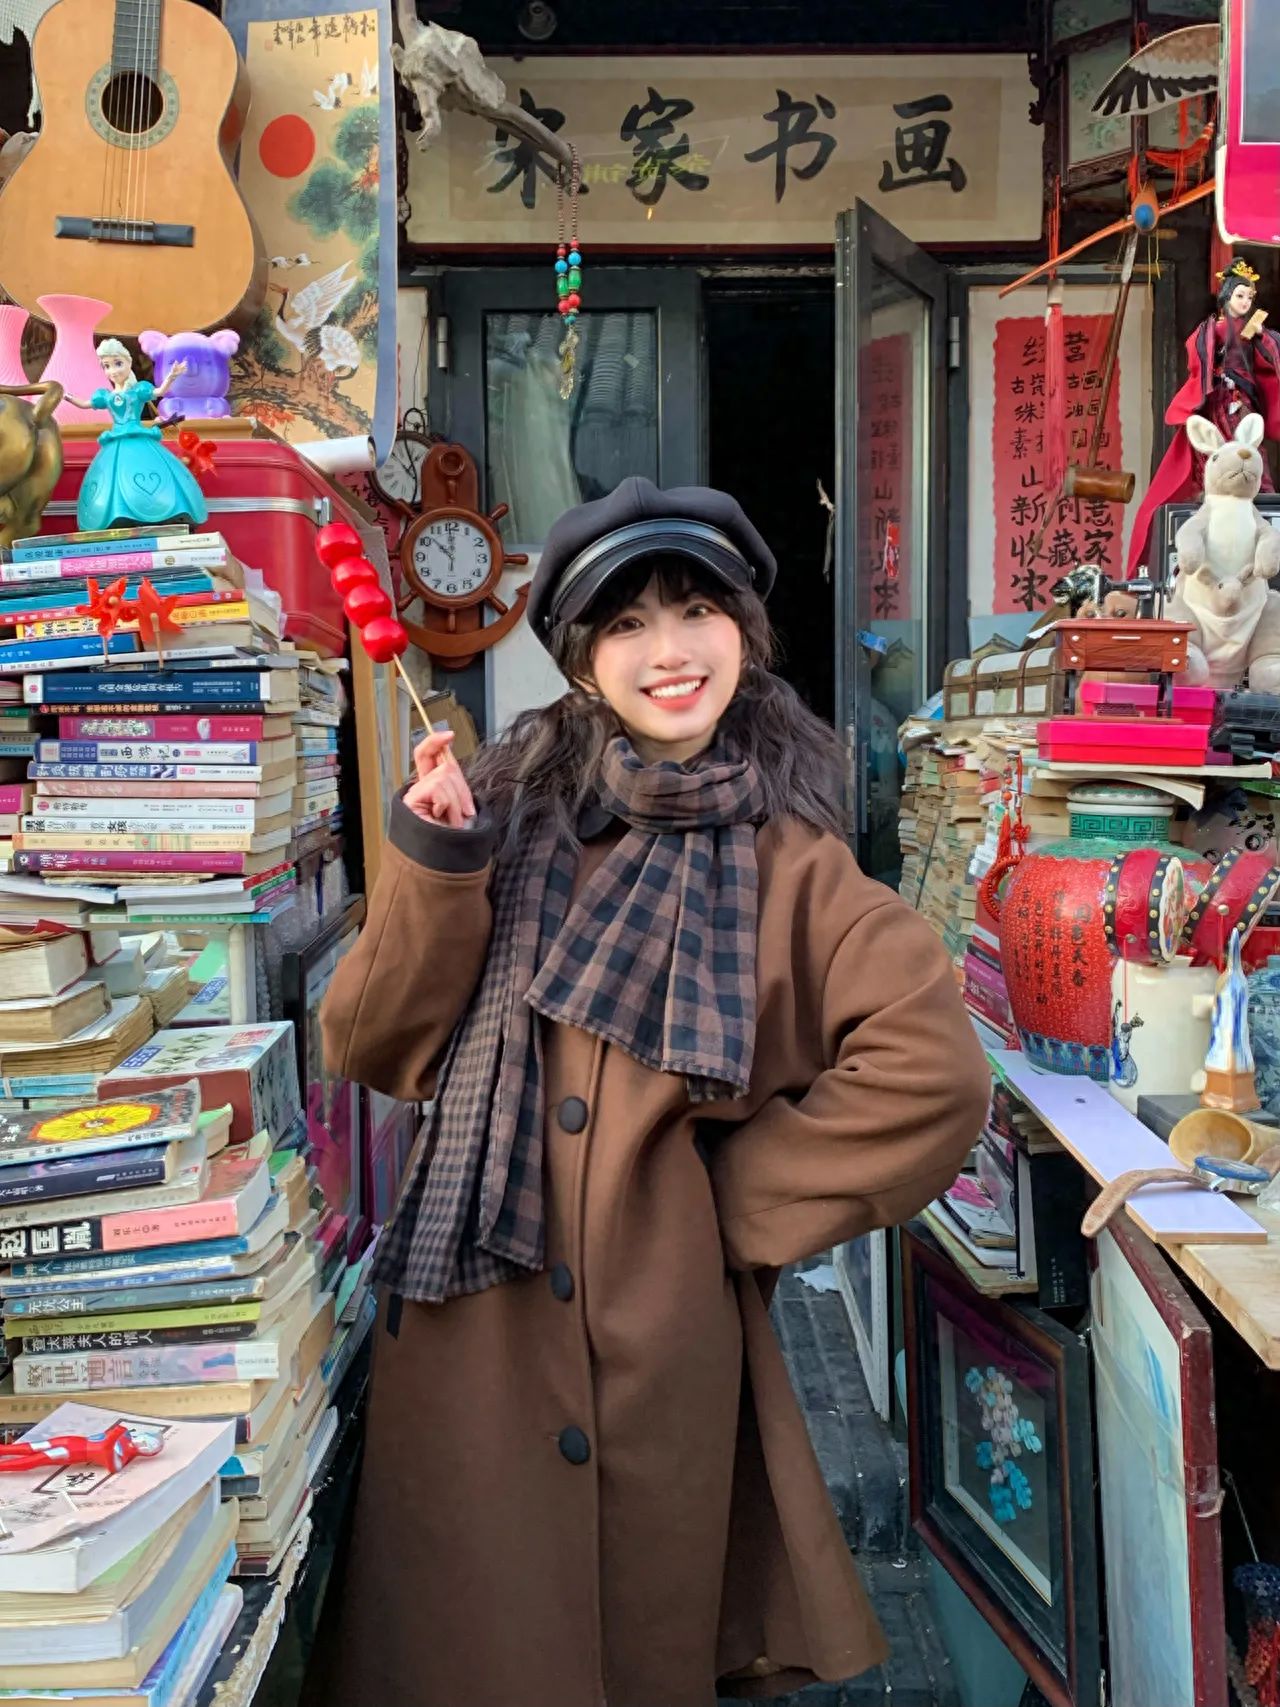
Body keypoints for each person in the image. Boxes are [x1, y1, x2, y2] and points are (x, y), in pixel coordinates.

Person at [302, 478, 990, 1707]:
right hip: (471, 1335)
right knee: (460, 1655)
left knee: (625, 1660)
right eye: (625, 625)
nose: (667, 654)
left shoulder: (794, 860)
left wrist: (710, 1208)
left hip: (651, 1357)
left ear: (745, 632)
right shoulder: (505, 821)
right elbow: (366, 1045)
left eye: (694, 612)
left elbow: (929, 1080)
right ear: (579, 660)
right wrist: (439, 866)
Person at [1128, 257, 1280, 575]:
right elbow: (1198, 350)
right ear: (1226, 297)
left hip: (1246, 398)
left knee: (1251, 447)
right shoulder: (1216, 329)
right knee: (1221, 447)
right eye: (1240, 295)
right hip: (1223, 398)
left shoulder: (1254, 330)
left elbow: (1270, 355)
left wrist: (1263, 338)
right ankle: (1216, 489)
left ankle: (1260, 489)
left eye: (1250, 297)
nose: (1246, 302)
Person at [64, 339, 207, 533]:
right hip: (115, 443)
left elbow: (158, 392)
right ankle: (117, 517)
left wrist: (171, 377)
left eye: (117, 364)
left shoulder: (138, 391)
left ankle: (158, 513)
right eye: (107, 366)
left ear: (128, 363)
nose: (113, 370)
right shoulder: (105, 395)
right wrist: (68, 397)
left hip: (139, 439)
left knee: (153, 476)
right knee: (111, 483)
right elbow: (84, 404)